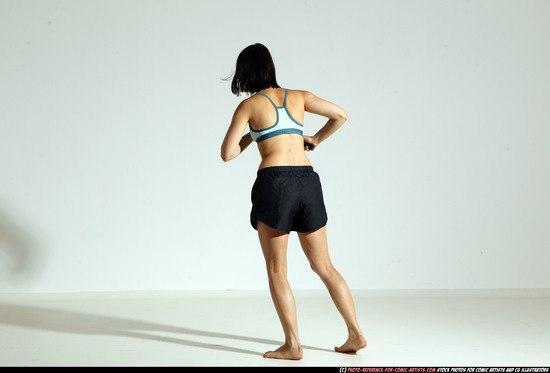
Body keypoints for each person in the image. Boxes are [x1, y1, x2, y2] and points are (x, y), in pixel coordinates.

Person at [221, 43, 366, 360]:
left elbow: (227, 154)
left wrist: (253, 134)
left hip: (275, 184)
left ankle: (292, 345)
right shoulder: (299, 96)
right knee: (324, 266)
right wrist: (315, 138)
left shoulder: (249, 106)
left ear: (246, 72)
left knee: (277, 270)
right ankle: (355, 333)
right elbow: (341, 114)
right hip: (307, 181)